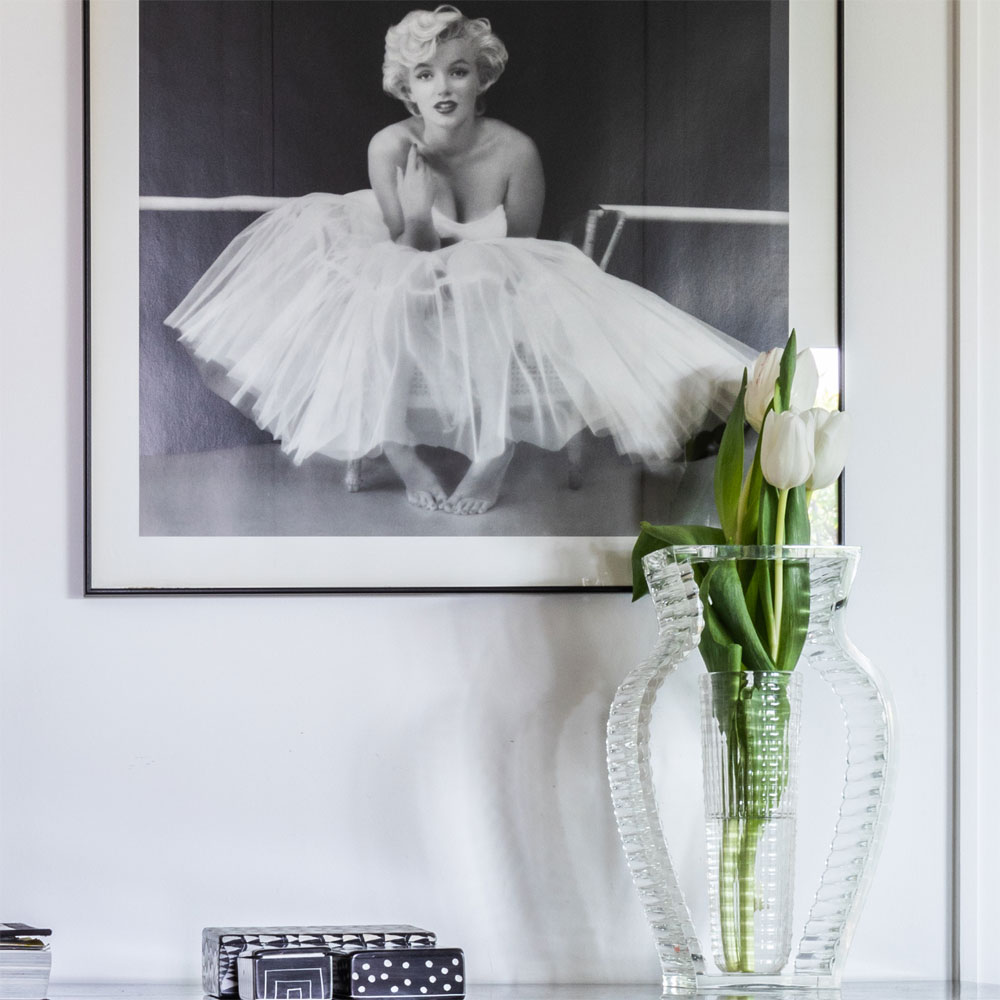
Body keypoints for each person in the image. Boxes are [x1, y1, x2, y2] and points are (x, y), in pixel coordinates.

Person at [166, 5, 753, 515]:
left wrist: (466, 269)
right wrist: (419, 216)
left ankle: (494, 450)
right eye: (425, 75)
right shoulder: (390, 146)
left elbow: (522, 255)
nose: (442, 87)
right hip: (407, 283)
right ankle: (397, 446)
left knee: (481, 269)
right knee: (398, 282)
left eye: (458, 71)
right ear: (407, 88)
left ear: (480, 79)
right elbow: (407, 250)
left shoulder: (516, 152)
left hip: (490, 296)